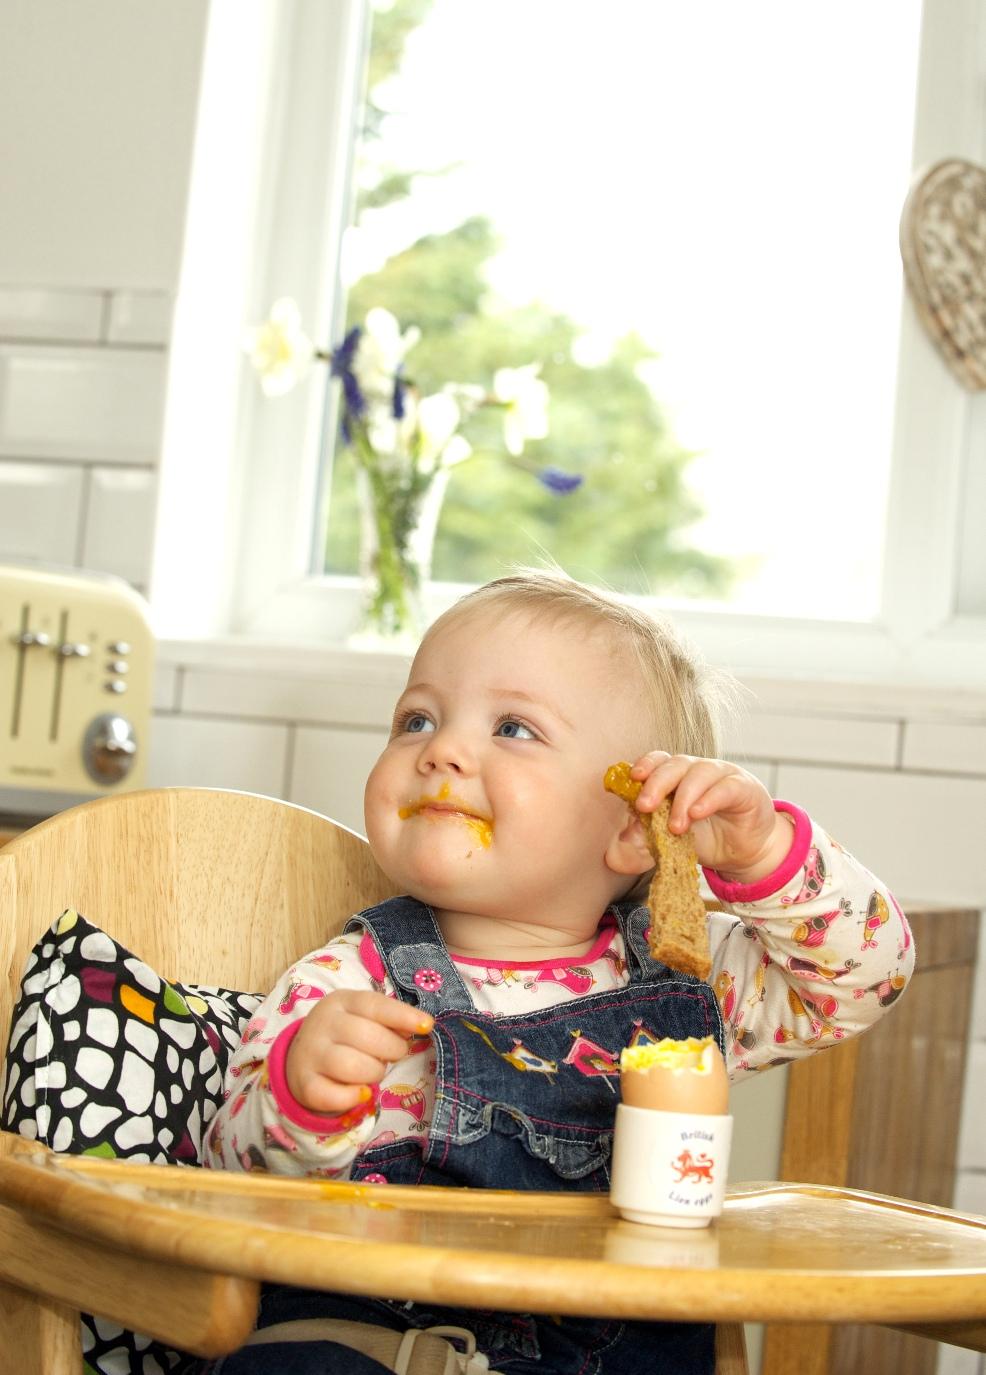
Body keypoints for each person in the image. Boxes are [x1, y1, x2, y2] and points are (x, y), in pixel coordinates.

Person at [202, 571, 914, 1375]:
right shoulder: (350, 982)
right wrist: (300, 1095)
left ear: (634, 828)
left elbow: (865, 977)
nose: (441, 748)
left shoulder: (685, 986)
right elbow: (231, 1177)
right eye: (417, 717)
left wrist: (766, 856)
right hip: (380, 1352)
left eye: (512, 727)